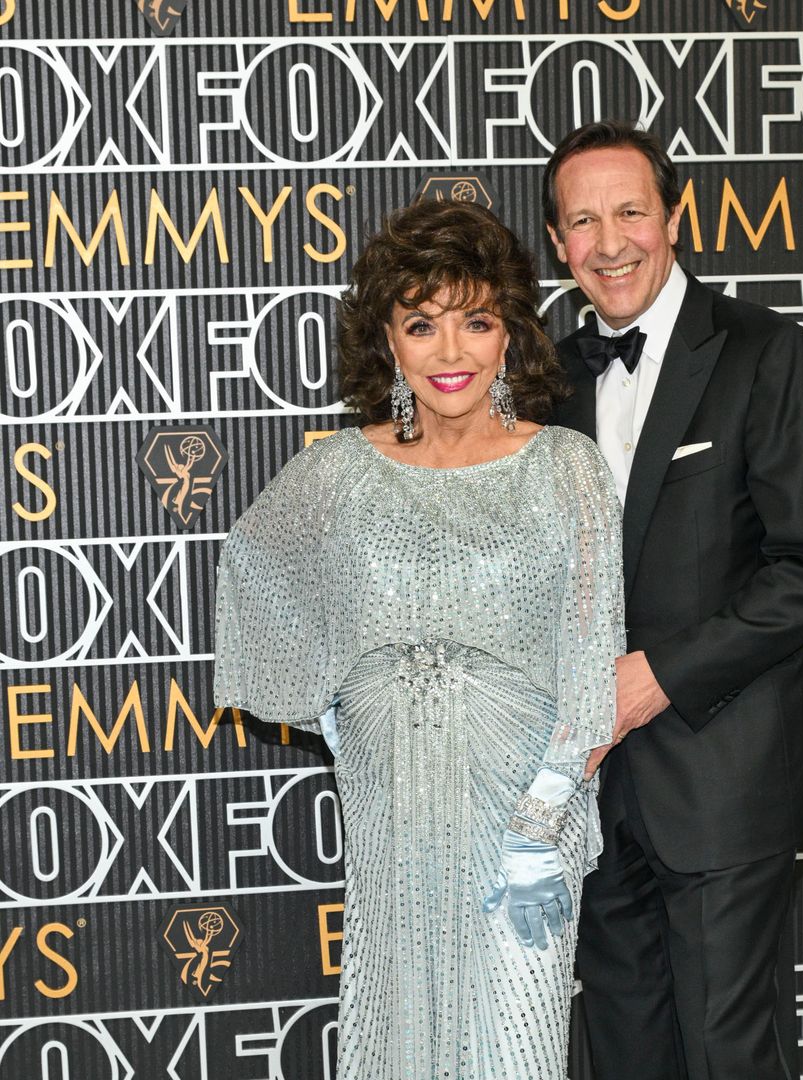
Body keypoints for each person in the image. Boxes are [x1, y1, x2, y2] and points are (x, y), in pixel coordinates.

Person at [213, 200, 624, 1080]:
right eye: (421, 324)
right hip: (393, 823)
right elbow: (255, 565)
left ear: (510, 332)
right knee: (395, 1041)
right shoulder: (337, 471)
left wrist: (536, 829)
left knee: (513, 1049)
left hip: (524, 824)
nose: (451, 353)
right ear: (388, 341)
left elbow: (592, 663)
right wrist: (343, 708)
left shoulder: (564, 466)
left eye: (476, 321)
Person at [544, 121, 803, 1080]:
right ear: (558, 243)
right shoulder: (547, 379)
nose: (610, 243)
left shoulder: (765, 354)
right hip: (589, 794)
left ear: (674, 218)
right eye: (582, 221)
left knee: (729, 1053)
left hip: (721, 781)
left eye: (631, 211)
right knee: (625, 1051)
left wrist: (659, 678)